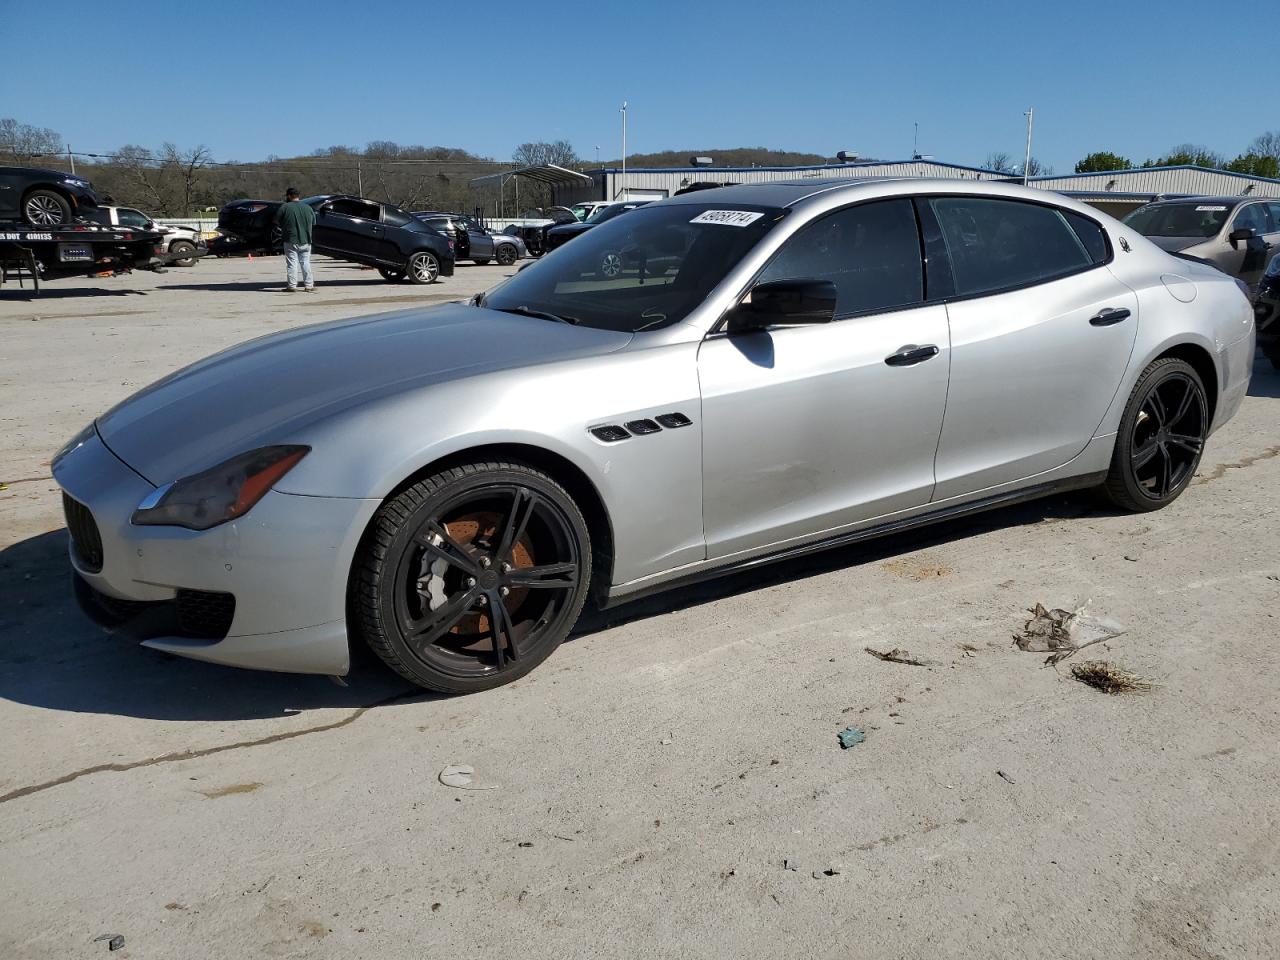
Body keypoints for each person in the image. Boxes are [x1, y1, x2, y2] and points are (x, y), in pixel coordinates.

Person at [273, 187, 316, 292]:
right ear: (298, 196)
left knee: (292, 263)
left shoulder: (285, 207)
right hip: (306, 240)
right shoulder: (308, 207)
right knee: (305, 263)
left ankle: (292, 286)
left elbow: (275, 221)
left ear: (289, 196)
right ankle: (309, 285)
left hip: (290, 239)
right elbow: (314, 223)